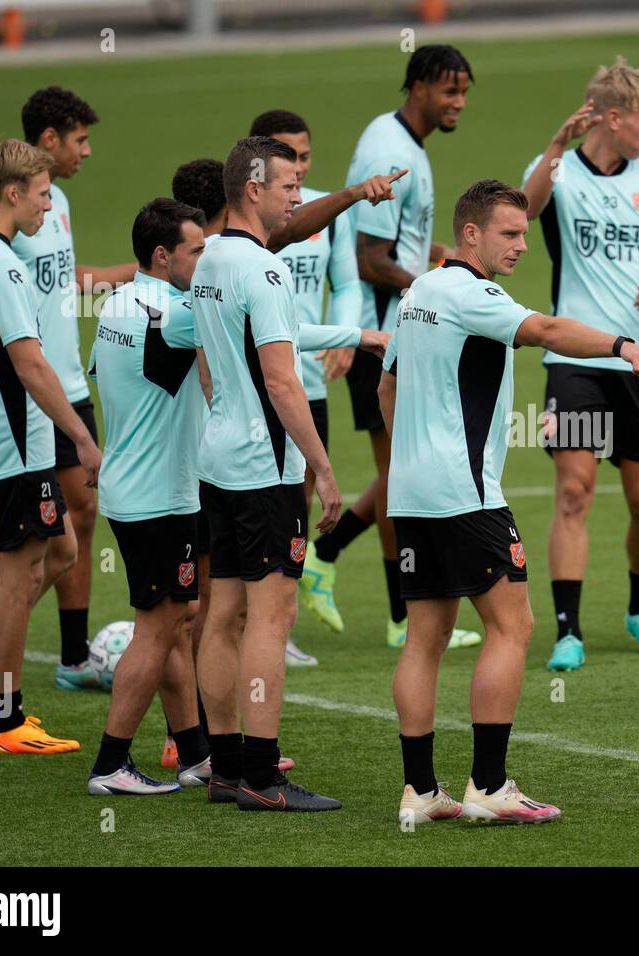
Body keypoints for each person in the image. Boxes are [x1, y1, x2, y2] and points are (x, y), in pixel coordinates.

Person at [379, 179, 639, 824]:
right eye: (509, 233)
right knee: (512, 627)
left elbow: (388, 387)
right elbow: (547, 329)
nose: (521, 245)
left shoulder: (417, 292)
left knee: (425, 637)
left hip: (413, 494)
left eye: (525, 233)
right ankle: (488, 786)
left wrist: (415, 456)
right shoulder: (475, 293)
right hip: (468, 494)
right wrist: (623, 346)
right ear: (471, 234)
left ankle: (422, 791)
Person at [191, 136, 391, 811]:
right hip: (264, 468)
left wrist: (355, 336)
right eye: (287, 186)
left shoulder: (211, 258)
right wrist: (325, 469)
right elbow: (282, 381)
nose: (297, 197)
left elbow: (231, 353)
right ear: (253, 189)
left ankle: (222, 768)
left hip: (217, 459)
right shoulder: (267, 270)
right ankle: (263, 777)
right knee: (270, 617)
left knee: (221, 613)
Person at [0, 87, 133, 696]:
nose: (87, 152)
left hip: (50, 400)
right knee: (2, 543)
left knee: (64, 540)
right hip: (23, 419)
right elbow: (10, 355)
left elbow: (66, 283)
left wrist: (143, 273)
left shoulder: (40, 213)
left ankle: (24, 665)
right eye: (80, 139)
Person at [305, 45, 483, 652]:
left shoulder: (406, 144)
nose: (457, 101)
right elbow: (370, 259)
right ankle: (404, 616)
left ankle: (326, 556)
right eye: (448, 90)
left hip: (398, 332)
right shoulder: (389, 147)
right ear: (417, 86)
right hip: (386, 339)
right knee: (401, 477)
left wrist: (443, 258)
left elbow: (396, 246)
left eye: (464, 91)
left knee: (402, 471)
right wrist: (442, 285)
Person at [520, 57, 639, 672]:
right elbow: (525, 210)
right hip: (577, 358)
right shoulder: (559, 170)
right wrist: (553, 146)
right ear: (613, 118)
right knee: (573, 492)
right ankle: (568, 630)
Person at [0, 139, 103, 752]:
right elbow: (31, 363)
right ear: (13, 194)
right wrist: (83, 438)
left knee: (60, 549)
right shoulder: (2, 266)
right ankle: (6, 720)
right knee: (19, 574)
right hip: (18, 447)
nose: (46, 207)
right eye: (40, 195)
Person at [86, 198, 211, 794]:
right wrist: (359, 335)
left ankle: (195, 755)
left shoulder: (117, 303)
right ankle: (111, 763)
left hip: (132, 487)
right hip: (159, 496)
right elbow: (261, 326)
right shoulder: (172, 314)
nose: (205, 260)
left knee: (177, 621)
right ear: (163, 256)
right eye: (197, 251)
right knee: (158, 628)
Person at [251, 108, 363, 666]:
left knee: (295, 495)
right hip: (260, 386)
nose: (297, 167)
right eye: (285, 156)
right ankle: (253, 617)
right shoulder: (252, 220)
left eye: (304, 156)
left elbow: (345, 284)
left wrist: (344, 337)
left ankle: (277, 621)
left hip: (308, 382)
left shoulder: (325, 213)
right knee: (261, 498)